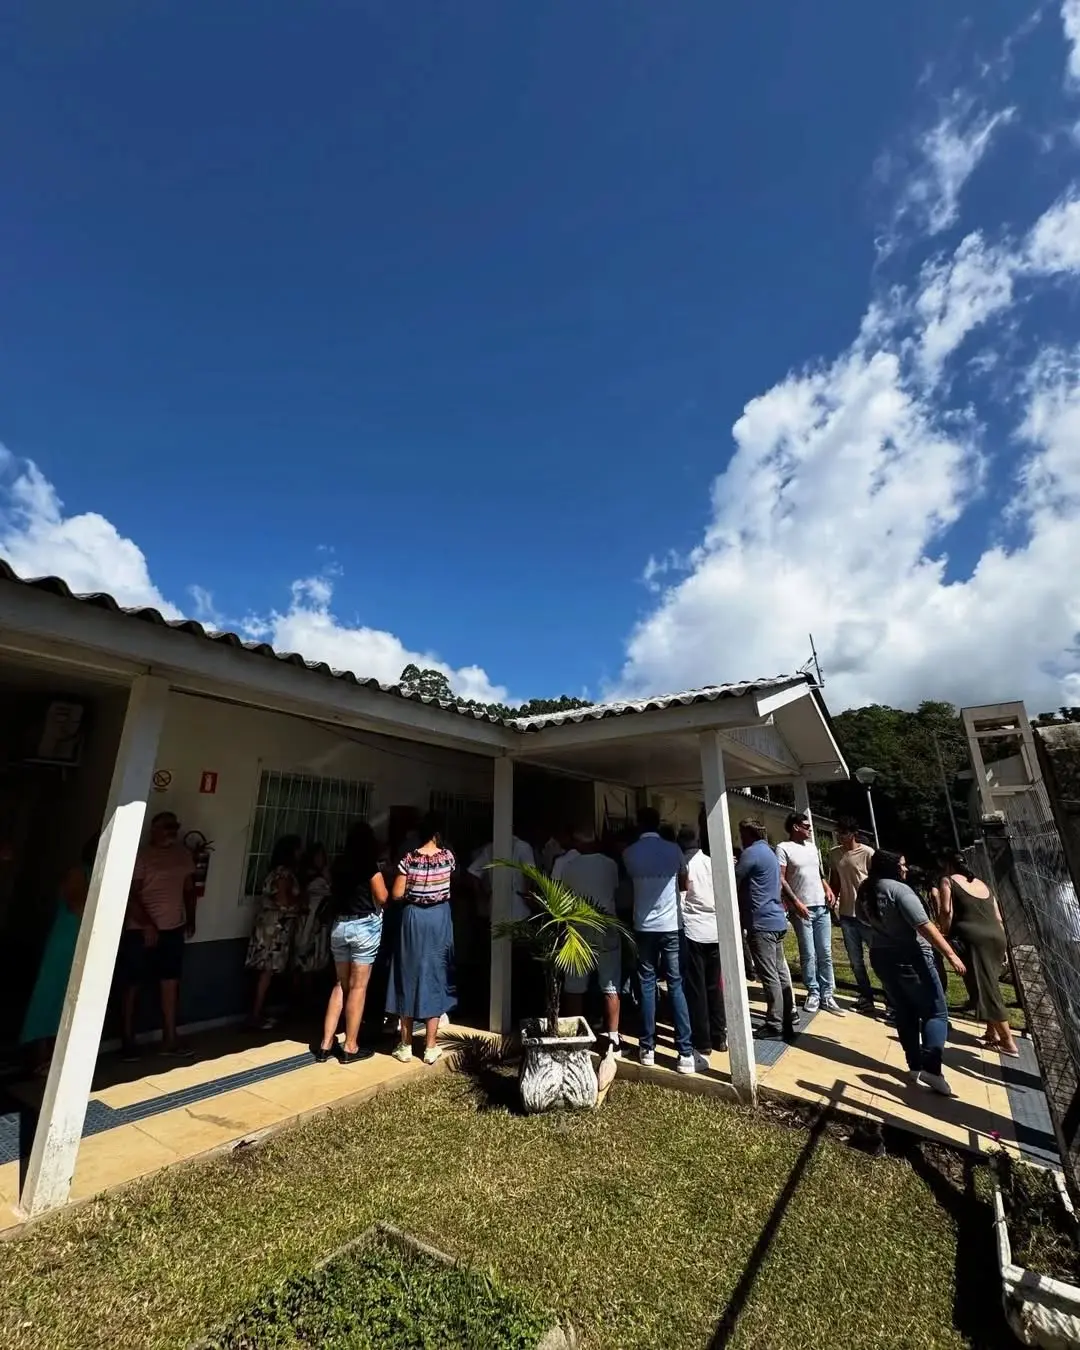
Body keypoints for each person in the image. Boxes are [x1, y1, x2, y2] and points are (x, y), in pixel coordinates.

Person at [857, 850, 967, 1096]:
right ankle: (932, 1068)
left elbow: (861, 919)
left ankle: (914, 1066)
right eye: (902, 865)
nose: (905, 869)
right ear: (891, 868)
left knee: (904, 1011)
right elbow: (924, 925)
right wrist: (951, 954)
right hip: (911, 956)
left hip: (881, 956)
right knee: (935, 1012)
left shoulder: (865, 889)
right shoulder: (899, 890)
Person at [622, 807, 696, 1073]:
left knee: (647, 984)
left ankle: (647, 1048)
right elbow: (685, 883)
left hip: (643, 925)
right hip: (671, 925)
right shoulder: (674, 850)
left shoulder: (629, 853)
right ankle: (685, 1053)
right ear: (658, 823)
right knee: (676, 984)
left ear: (639, 825)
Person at [119, 812, 197, 1059]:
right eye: (166, 827)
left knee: (170, 982)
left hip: (173, 929)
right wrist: (146, 924)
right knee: (133, 985)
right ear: (154, 829)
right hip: (140, 931)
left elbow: (189, 888)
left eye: (175, 826)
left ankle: (170, 1039)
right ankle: (127, 1040)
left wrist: (192, 917)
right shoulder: (142, 855)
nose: (171, 831)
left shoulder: (183, 855)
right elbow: (130, 894)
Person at [21, 833, 98, 1073]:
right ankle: (39, 1055)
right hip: (65, 943)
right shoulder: (79, 873)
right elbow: (76, 904)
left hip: (83, 944)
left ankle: (56, 1055)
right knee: (51, 994)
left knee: (70, 997)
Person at [315, 822, 388, 1063]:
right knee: (358, 987)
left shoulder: (338, 864)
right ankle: (351, 1046)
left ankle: (325, 1043)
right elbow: (383, 896)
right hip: (363, 926)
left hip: (339, 926)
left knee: (339, 984)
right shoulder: (368, 865)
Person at [388, 813, 456, 1064]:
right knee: (437, 973)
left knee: (407, 974)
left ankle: (404, 1044)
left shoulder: (408, 859)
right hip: (439, 919)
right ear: (437, 834)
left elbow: (396, 894)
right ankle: (430, 1046)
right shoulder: (448, 857)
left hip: (413, 919)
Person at [938, 856, 1019, 1056]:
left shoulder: (948, 881)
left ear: (948, 865)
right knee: (987, 982)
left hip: (974, 939)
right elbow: (998, 917)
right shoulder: (984, 884)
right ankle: (991, 1032)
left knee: (985, 988)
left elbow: (946, 911)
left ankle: (1008, 1042)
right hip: (997, 937)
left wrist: (945, 933)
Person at [558, 830, 622, 1052]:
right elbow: (614, 889)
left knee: (574, 985)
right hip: (606, 925)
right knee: (610, 984)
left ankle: (575, 1035)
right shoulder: (609, 864)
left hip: (578, 925)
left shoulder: (569, 867)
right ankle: (613, 1038)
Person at [736, 819, 798, 1040]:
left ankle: (774, 1024)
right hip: (776, 919)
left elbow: (733, 879)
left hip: (760, 922)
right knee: (780, 972)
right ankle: (787, 1018)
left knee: (769, 974)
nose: (740, 839)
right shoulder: (769, 852)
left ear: (748, 833)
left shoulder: (751, 853)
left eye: (741, 834)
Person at [778, 812, 843, 1017]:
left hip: (821, 906)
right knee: (809, 953)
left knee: (825, 952)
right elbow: (781, 878)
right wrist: (796, 902)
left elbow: (818, 873)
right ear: (795, 827)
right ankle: (813, 991)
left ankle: (827, 993)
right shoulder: (783, 848)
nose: (809, 829)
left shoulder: (813, 847)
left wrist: (827, 888)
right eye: (806, 826)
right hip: (802, 909)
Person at [679, 814, 727, 1067]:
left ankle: (703, 1040)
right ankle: (720, 1035)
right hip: (716, 929)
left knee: (696, 989)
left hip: (694, 930)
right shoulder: (712, 862)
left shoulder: (685, 865)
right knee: (714, 985)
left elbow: (682, 900)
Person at [245, 834, 304, 1030]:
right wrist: (300, 903)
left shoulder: (276, 872)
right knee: (267, 971)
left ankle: (257, 1012)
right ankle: (255, 1013)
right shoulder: (283, 873)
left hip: (270, 925)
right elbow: (283, 900)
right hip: (274, 928)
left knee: (265, 971)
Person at [828, 819, 876, 1014]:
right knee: (856, 960)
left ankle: (892, 1001)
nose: (840, 835)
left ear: (853, 833)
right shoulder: (834, 853)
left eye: (844, 832)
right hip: (847, 914)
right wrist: (832, 900)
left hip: (866, 915)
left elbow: (875, 881)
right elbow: (835, 880)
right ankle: (866, 997)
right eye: (838, 832)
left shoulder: (867, 853)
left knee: (878, 958)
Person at [292, 842, 332, 983]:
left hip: (316, 924)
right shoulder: (311, 878)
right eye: (318, 856)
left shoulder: (318, 876)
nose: (320, 859)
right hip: (307, 922)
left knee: (310, 961)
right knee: (304, 960)